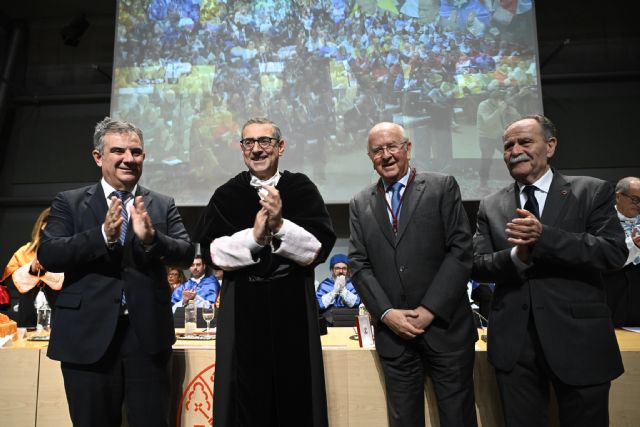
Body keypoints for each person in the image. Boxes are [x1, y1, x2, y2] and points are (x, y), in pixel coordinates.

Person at [38, 117, 195, 427]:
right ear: (98, 157)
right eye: (119, 151)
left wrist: (153, 239)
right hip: (86, 338)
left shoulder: (162, 205)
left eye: (136, 152)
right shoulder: (69, 203)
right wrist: (102, 236)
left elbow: (187, 252)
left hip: (147, 338)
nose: (129, 159)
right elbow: (50, 254)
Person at [472, 115, 627, 426]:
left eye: (525, 142)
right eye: (508, 146)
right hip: (515, 348)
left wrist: (545, 237)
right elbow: (478, 264)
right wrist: (517, 256)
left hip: (580, 342)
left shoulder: (591, 191)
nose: (514, 150)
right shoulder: (490, 205)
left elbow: (613, 253)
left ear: (551, 145)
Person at [193, 117, 336, 427]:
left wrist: (281, 226)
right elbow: (212, 252)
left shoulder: (300, 188)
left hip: (292, 304)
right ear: (241, 148)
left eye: (265, 142)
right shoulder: (226, 194)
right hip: (244, 304)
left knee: (297, 399)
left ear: (280, 147)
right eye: (249, 143)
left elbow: (316, 249)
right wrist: (255, 238)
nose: (256, 149)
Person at [349, 122, 478, 427]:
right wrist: (386, 313)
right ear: (370, 157)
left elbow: (460, 251)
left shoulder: (441, 186)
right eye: (377, 150)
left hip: (446, 329)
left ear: (408, 148)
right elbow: (358, 263)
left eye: (392, 146)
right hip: (394, 334)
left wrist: (429, 309)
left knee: (457, 418)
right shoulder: (359, 202)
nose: (386, 155)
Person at [1, 208, 63, 327]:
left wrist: (47, 274)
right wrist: (31, 270)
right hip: (28, 319)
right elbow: (8, 283)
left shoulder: (68, 251)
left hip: (59, 318)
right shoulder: (24, 252)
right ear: (43, 225)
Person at [604, 176, 640, 326]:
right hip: (612, 300)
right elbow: (603, 259)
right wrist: (633, 246)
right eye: (635, 199)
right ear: (618, 196)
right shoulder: (600, 220)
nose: (639, 205)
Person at [476, 90, 519, 189]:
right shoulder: (483, 105)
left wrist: (514, 113)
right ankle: (483, 183)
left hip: (499, 136)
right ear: (493, 100)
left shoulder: (503, 105)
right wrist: (499, 110)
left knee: (513, 155)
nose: (504, 103)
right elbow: (488, 122)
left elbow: (517, 118)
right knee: (486, 159)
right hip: (486, 136)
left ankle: (518, 179)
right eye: (501, 101)